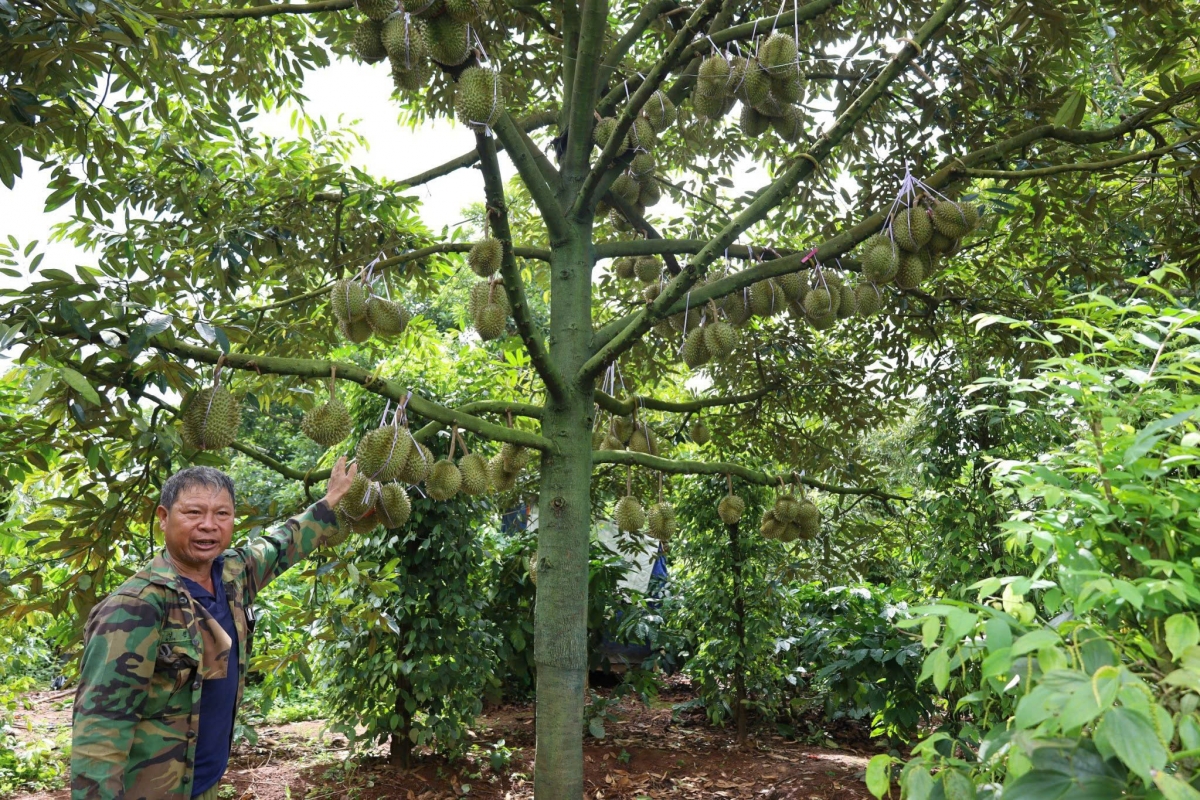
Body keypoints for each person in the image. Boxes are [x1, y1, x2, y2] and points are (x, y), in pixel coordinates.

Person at [70, 457, 357, 800]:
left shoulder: (234, 575)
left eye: (222, 514)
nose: (209, 525)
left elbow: (283, 543)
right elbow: (100, 731)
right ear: (163, 518)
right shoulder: (135, 606)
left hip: (204, 780)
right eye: (193, 513)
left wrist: (332, 499)